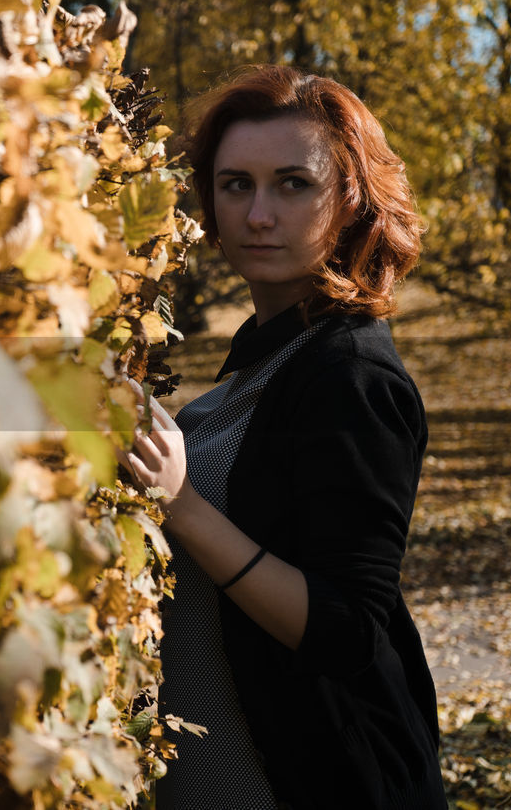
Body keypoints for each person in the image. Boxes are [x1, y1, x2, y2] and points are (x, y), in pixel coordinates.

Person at [119, 65, 446, 809]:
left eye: (292, 184)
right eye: (236, 184)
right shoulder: (267, 349)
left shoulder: (352, 375)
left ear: (349, 198)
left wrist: (187, 508)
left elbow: (348, 629)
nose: (258, 213)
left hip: (300, 785)